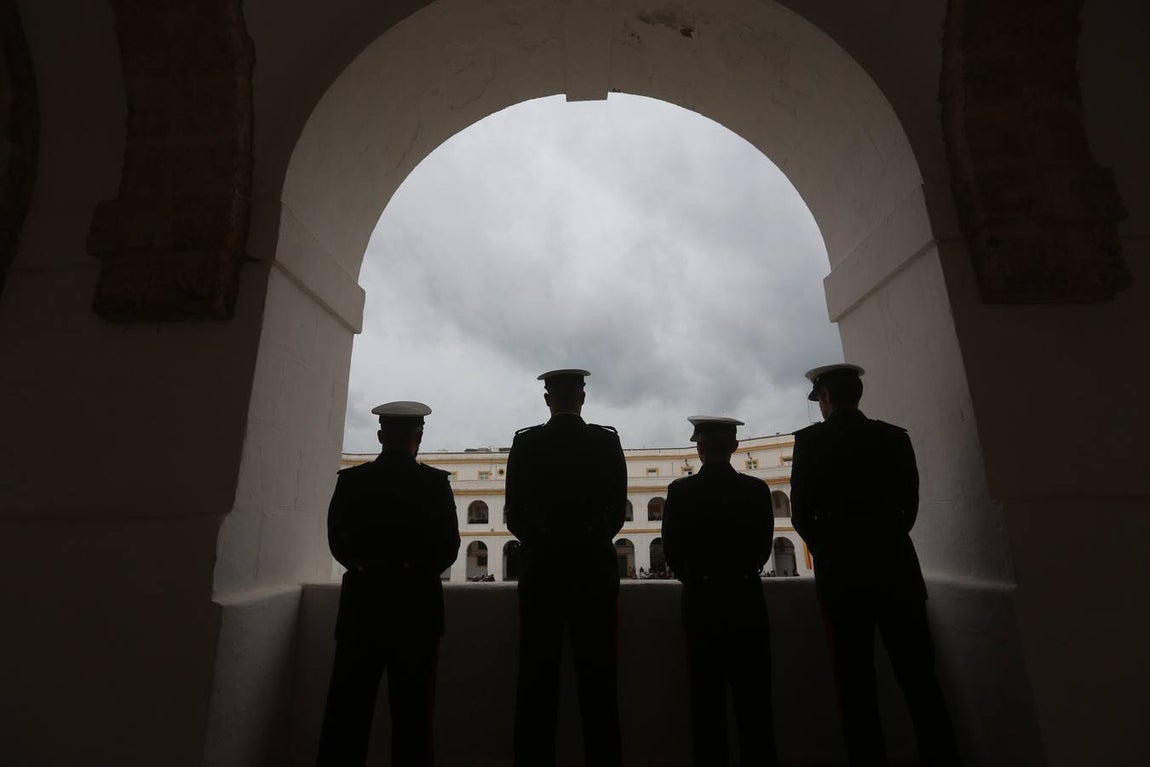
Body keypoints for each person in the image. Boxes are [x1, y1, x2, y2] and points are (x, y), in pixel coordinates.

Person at [790, 364, 960, 766]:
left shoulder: (810, 443)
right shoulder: (893, 438)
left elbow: (801, 514)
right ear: (856, 395)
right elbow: (909, 507)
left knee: (855, 684)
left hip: (842, 576)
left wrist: (831, 549)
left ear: (826, 399)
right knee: (920, 678)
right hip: (896, 568)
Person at [316, 401, 461, 767]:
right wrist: (412, 573)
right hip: (418, 609)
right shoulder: (434, 484)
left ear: (380, 436)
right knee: (413, 716)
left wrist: (368, 569)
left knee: (347, 715)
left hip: (362, 606)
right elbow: (448, 548)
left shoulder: (352, 482)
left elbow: (338, 542)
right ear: (419, 437)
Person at [506, 369, 627, 767]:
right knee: (599, 684)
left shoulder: (526, 444)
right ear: (582, 397)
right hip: (593, 574)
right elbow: (615, 514)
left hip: (542, 575)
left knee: (536, 684)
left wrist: (545, 542)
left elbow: (513, 516)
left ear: (547, 399)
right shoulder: (606, 442)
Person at [661, 415, 780, 767]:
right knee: (754, 700)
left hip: (701, 600)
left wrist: (696, 575)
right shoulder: (756, 490)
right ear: (735, 447)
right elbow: (763, 547)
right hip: (746, 598)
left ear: (698, 448)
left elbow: (671, 550)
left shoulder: (680, 492)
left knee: (706, 701)